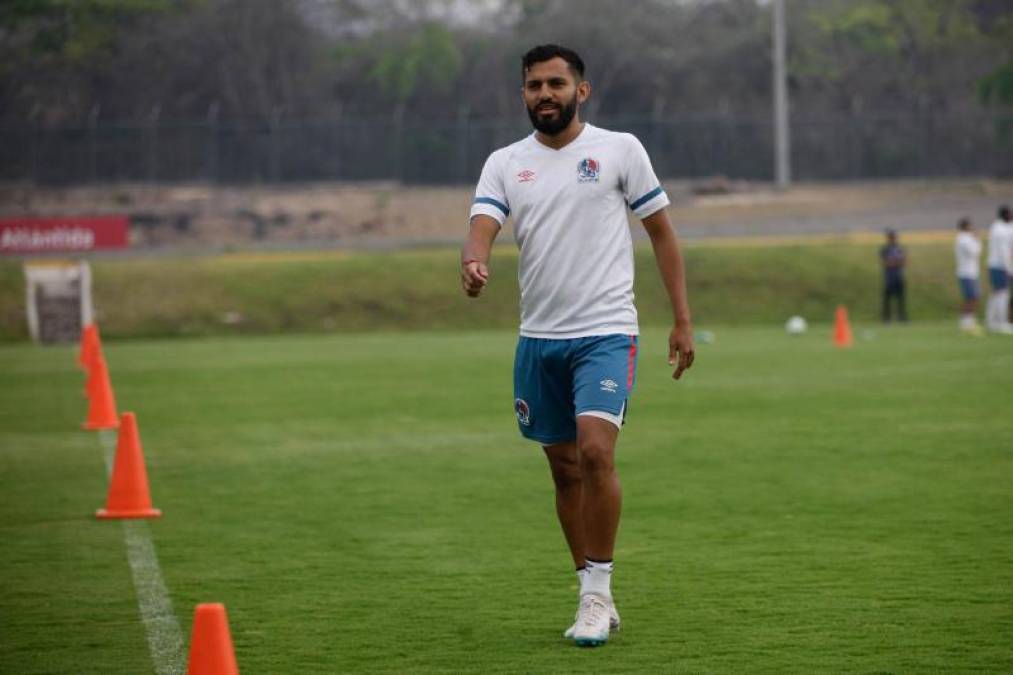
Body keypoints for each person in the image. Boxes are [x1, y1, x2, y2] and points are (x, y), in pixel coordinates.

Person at [459, 44, 694, 648]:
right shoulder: (505, 162)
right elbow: (484, 222)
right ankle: (593, 589)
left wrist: (681, 320)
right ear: (523, 94)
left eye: (556, 83)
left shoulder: (620, 150)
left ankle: (596, 595)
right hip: (539, 338)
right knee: (564, 469)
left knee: (594, 452)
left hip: (606, 331)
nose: (545, 94)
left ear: (581, 91)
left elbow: (662, 233)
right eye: (534, 85)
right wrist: (474, 259)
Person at [985, 205, 1013, 334]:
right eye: (1010, 214)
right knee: (1002, 294)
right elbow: (1003, 251)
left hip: (996, 265)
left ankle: (991, 322)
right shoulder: (1000, 230)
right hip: (999, 266)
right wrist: (1009, 268)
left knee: (996, 294)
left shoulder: (998, 227)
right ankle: (1001, 323)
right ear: (1005, 215)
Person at [954, 218, 983, 335]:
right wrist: (977, 239)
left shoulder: (964, 238)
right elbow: (975, 252)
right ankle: (967, 323)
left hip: (970, 273)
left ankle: (968, 322)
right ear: (966, 226)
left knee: (972, 298)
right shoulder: (964, 239)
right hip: (967, 273)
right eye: (970, 225)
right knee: (971, 298)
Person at [880, 229, 907, 322]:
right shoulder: (885, 249)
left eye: (894, 237)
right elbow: (886, 263)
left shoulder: (899, 248)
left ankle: (901, 317)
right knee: (887, 298)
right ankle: (886, 318)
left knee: (901, 298)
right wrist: (895, 262)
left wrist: (894, 262)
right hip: (889, 277)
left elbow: (904, 261)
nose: (893, 239)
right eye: (891, 237)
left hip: (899, 276)